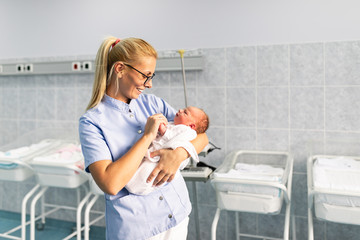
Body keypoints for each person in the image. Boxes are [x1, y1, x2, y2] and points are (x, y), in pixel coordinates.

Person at [78, 36, 208, 240]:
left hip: (177, 213)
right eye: (145, 76)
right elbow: (110, 184)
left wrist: (177, 156)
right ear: (120, 69)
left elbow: (201, 137)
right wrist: (147, 136)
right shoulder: (92, 122)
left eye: (152, 76)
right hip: (139, 227)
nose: (149, 84)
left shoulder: (153, 103)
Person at [126, 106, 209, 195]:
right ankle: (134, 182)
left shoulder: (186, 131)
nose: (180, 110)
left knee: (148, 173)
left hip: (160, 158)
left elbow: (171, 136)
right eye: (183, 109)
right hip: (154, 154)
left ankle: (138, 184)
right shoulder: (174, 124)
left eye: (185, 112)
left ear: (191, 126)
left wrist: (162, 129)